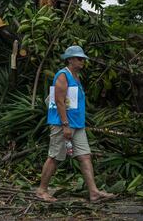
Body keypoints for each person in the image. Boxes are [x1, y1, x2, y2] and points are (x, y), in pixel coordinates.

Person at [36, 45, 116, 203]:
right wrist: (65, 125)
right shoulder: (63, 75)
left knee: (85, 156)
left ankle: (93, 192)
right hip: (63, 124)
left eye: (83, 59)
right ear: (70, 59)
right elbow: (59, 101)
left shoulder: (76, 76)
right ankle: (41, 190)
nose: (83, 61)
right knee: (55, 157)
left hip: (77, 124)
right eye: (80, 59)